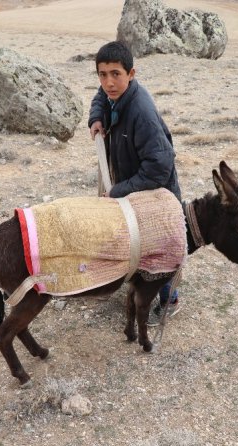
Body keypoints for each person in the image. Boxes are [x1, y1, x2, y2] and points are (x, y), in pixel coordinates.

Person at [88, 41, 182, 326]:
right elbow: (100, 98)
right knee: (136, 241)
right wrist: (95, 118)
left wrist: (118, 190)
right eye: (102, 74)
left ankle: (170, 299)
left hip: (157, 193)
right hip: (133, 183)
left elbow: (159, 166)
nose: (108, 82)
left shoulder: (141, 113)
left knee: (162, 247)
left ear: (131, 73)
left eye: (115, 74)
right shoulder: (112, 92)